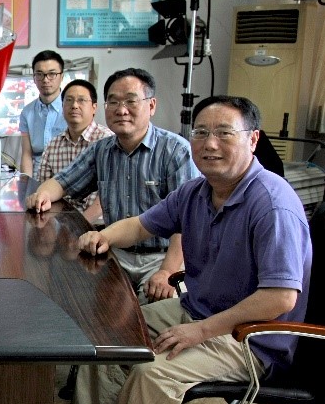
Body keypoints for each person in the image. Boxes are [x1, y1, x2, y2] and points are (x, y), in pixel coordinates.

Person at [49, 95, 312, 404]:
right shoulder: (197, 191)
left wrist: (200, 331)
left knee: (151, 375)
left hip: (250, 336)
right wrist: (104, 237)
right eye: (201, 133)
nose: (209, 144)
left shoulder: (272, 204)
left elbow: (280, 298)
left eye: (224, 133)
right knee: (107, 336)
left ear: (253, 139)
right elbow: (141, 225)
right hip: (197, 308)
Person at [27, 68, 199, 303]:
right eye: (114, 102)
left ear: (151, 105)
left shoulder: (176, 151)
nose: (121, 110)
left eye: (131, 101)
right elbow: (62, 182)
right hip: (115, 252)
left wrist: (167, 271)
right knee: (74, 296)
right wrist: (42, 195)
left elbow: (187, 223)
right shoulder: (102, 150)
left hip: (162, 256)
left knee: (157, 309)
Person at [36, 79, 113, 225]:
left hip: (98, 226)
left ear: (94, 107)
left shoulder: (107, 141)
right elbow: (43, 186)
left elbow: (108, 197)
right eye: (69, 100)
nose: (74, 105)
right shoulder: (53, 145)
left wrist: (80, 225)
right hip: (60, 224)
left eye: (81, 100)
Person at [19, 50, 68, 177]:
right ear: (34, 78)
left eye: (52, 74)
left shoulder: (72, 109)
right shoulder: (27, 113)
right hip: (37, 177)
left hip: (66, 177)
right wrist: (27, 184)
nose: (45, 80)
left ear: (62, 77)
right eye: (39, 74)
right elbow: (26, 154)